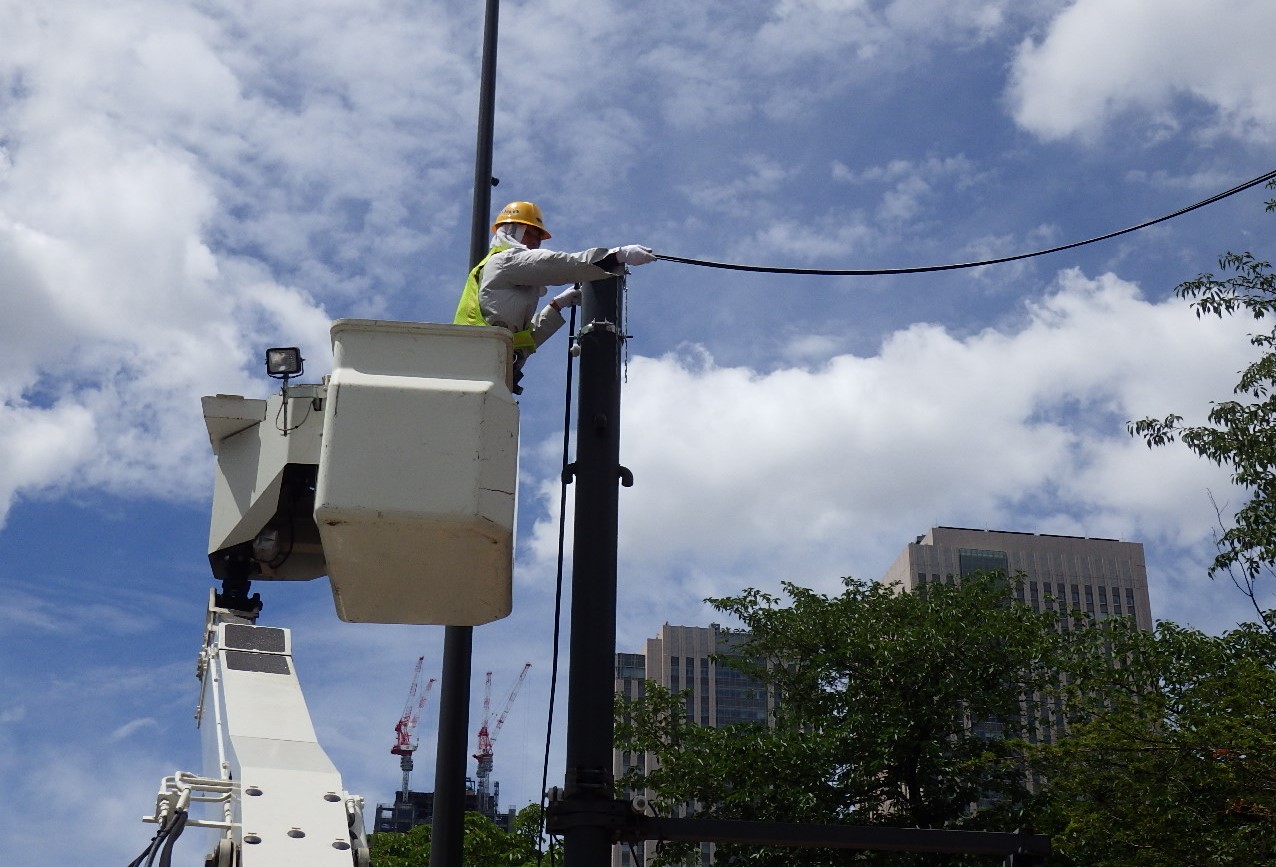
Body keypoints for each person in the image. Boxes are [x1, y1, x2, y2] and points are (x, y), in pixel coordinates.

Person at [454, 200, 655, 391]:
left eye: (538, 238)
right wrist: (616, 256)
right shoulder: (505, 261)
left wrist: (556, 306)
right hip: (477, 363)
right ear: (513, 230)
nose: (535, 242)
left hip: (486, 366)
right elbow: (560, 265)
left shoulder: (505, 274)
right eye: (530, 234)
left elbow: (523, 341)